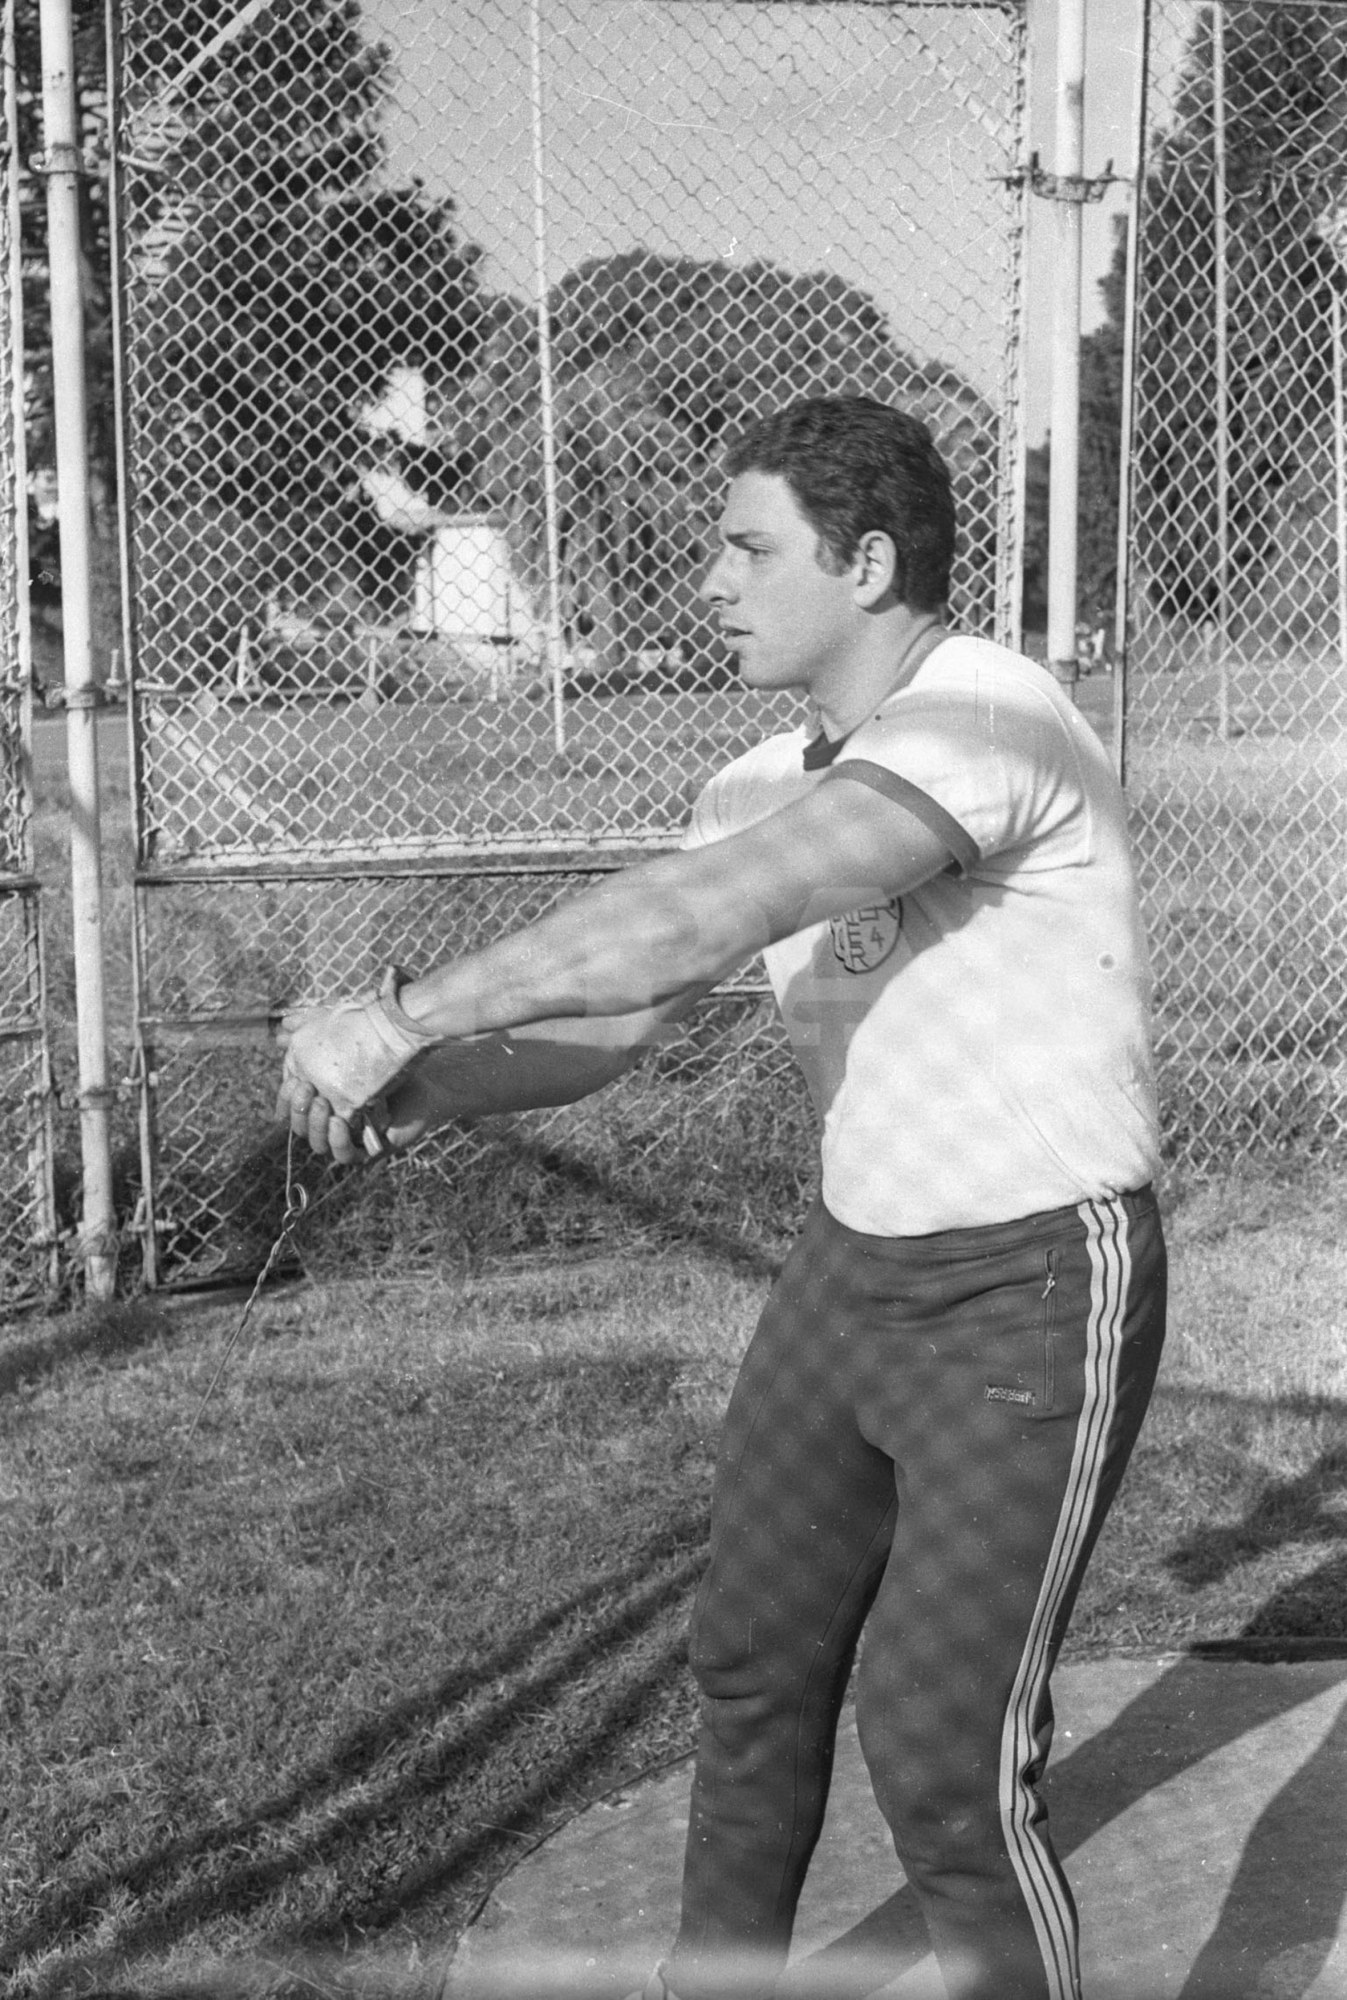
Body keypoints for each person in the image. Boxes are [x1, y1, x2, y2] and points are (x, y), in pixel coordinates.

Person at [276, 396, 1166, 2000]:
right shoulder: (757, 773)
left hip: (1030, 1279)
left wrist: (411, 1011)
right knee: (752, 1670)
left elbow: (725, 909)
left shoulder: (991, 713)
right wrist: (431, 1085)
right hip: (851, 1277)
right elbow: (618, 1020)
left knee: (944, 1750)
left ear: (871, 561)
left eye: (750, 547)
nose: (709, 580)